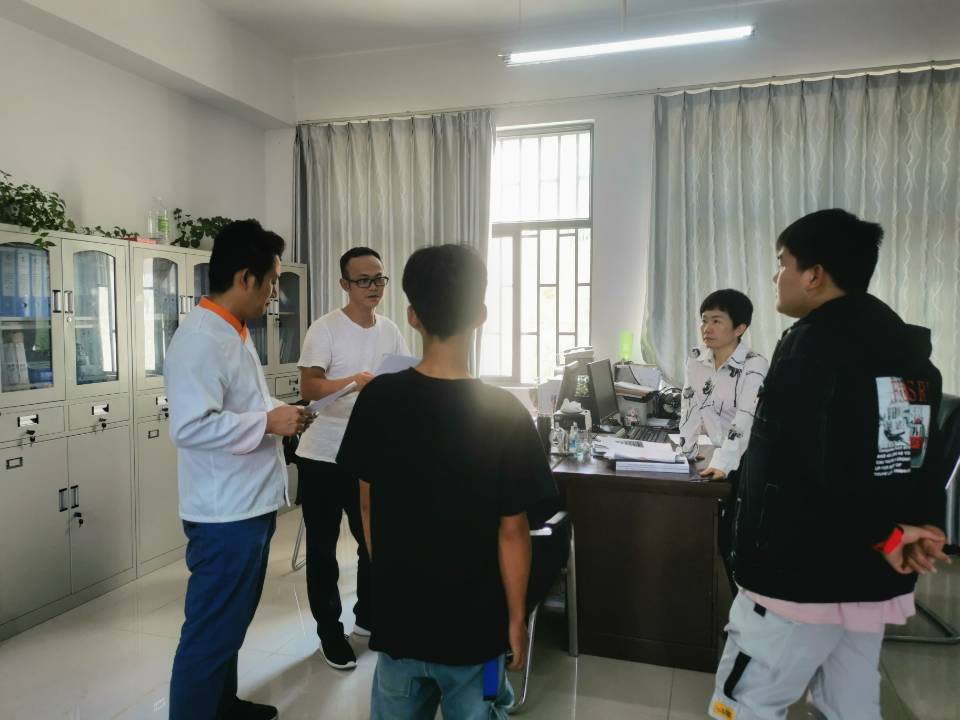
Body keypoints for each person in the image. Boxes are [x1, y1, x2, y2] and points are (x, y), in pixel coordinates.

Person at [709, 209, 950, 720]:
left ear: (814, 275)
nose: (776, 276)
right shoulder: (904, 349)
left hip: (798, 577)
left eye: (782, 263)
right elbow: (911, 455)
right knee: (849, 706)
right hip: (869, 578)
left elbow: (804, 472)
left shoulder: (810, 349)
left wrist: (886, 534)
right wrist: (908, 529)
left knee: (746, 703)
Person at [337, 244, 558, 719]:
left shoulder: (377, 399)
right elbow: (513, 531)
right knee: (484, 706)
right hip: (478, 632)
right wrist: (516, 619)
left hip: (399, 625)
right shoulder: (505, 413)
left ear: (412, 317)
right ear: (480, 315)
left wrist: (391, 584)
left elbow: (367, 506)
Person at [166, 220, 314, 720]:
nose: (275, 293)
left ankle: (222, 706)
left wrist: (283, 412)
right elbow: (190, 426)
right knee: (210, 632)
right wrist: (268, 421)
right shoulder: (200, 339)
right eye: (271, 281)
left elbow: (247, 403)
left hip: (248, 504)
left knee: (230, 624)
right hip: (224, 514)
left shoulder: (234, 331)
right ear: (245, 278)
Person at [295, 246, 409, 670]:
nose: (373, 287)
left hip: (370, 454)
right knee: (323, 549)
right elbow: (309, 387)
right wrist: (353, 383)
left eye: (379, 278)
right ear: (344, 284)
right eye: (363, 280)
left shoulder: (390, 330)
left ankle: (368, 617)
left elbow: (399, 380)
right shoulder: (325, 328)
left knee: (372, 541)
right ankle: (330, 633)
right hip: (322, 455)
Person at [677, 289, 768, 481]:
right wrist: (687, 450)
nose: (707, 328)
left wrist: (722, 463)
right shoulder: (696, 358)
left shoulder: (754, 365)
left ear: (739, 329)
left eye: (716, 321)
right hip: (719, 452)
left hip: (751, 459)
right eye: (704, 320)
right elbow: (690, 406)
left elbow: (745, 418)